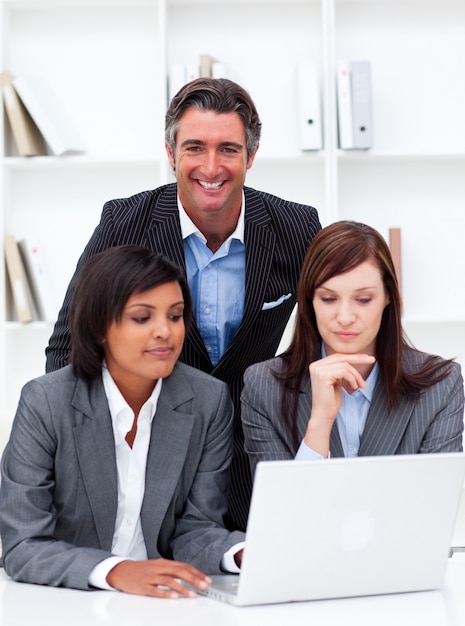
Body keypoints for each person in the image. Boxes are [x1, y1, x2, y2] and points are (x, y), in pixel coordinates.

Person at [44, 77, 322, 531]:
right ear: (171, 154)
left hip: (250, 462)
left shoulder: (296, 226)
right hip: (144, 455)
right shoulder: (124, 223)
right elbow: (66, 347)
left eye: (228, 149)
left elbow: (333, 325)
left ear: (251, 157)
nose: (211, 167)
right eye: (195, 147)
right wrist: (83, 457)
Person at [0, 246, 245, 597]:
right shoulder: (45, 402)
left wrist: (242, 554)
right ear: (100, 327)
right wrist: (117, 571)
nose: (165, 331)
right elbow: (23, 545)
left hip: (166, 604)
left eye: (175, 316)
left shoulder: (208, 400)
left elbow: (197, 530)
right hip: (63, 601)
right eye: (142, 318)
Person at [241, 220, 464, 474]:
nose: (345, 317)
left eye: (363, 299)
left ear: (388, 296)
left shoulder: (440, 385)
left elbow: (434, 503)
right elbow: (279, 509)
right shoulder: (264, 388)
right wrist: (319, 423)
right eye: (328, 298)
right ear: (310, 300)